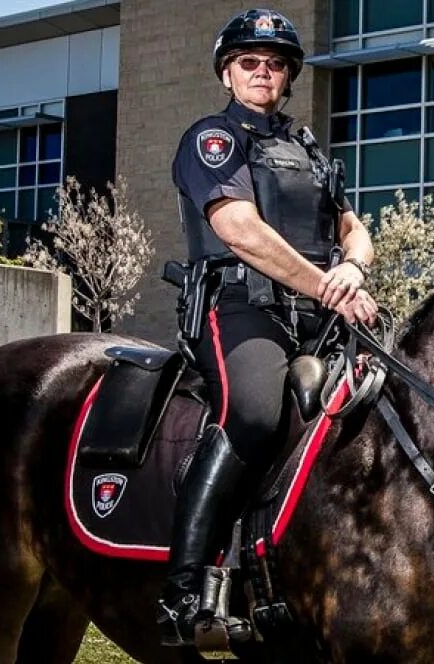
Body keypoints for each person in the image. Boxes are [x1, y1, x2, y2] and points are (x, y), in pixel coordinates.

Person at [157, 8, 379, 646]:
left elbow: (352, 229)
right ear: (228, 73)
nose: (263, 72)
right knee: (255, 412)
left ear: (288, 78)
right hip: (238, 310)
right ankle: (184, 590)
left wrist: (355, 272)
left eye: (275, 64)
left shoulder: (307, 148)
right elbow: (240, 231)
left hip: (318, 315)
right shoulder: (213, 140)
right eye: (250, 62)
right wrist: (323, 285)